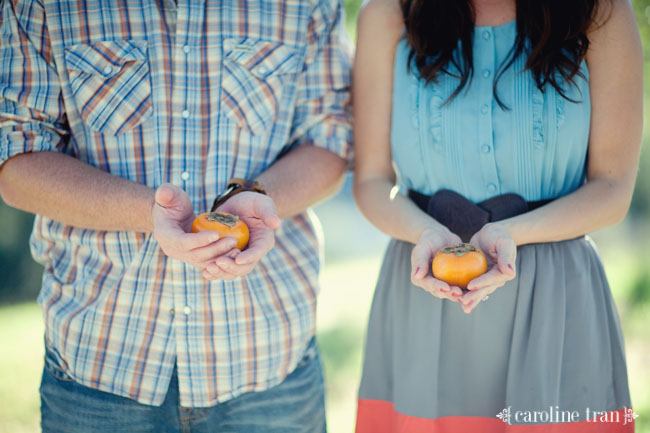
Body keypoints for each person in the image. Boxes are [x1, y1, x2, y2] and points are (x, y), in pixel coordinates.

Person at [0, 0, 352, 432]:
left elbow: (330, 139)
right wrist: (151, 213)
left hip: (267, 357)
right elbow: (17, 159)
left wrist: (254, 197)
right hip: (101, 360)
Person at [352, 0, 642, 431]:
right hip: (424, 288)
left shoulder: (601, 12)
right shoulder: (387, 14)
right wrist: (427, 232)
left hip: (555, 303)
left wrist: (511, 232)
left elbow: (613, 189)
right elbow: (371, 180)